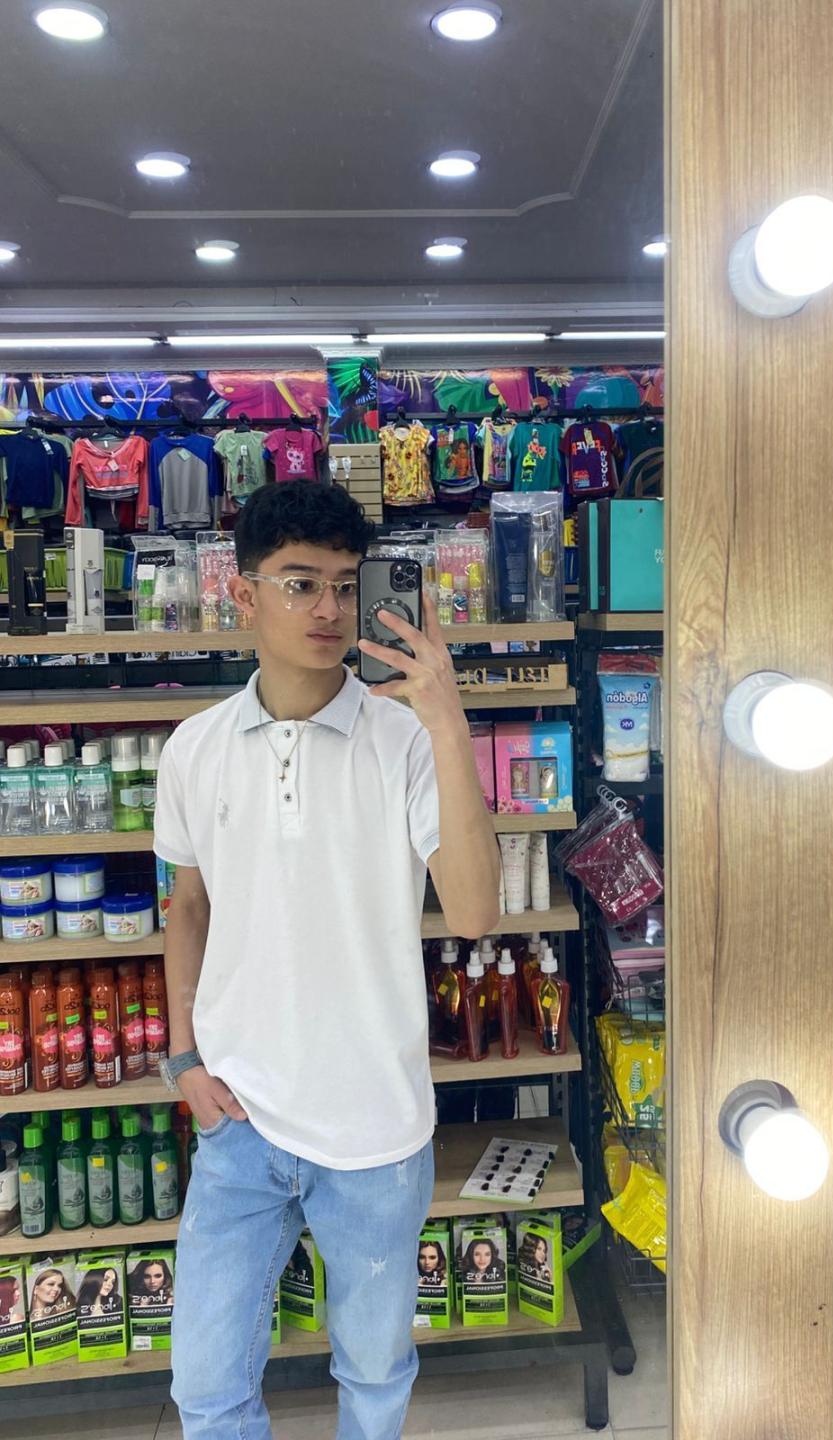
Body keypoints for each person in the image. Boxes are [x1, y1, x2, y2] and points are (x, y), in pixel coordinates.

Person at [156, 481, 500, 1440]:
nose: (329, 608)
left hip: (376, 1129)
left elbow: (475, 912)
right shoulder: (193, 749)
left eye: (347, 585)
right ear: (243, 594)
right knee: (206, 1387)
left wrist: (446, 717)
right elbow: (189, 907)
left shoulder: (407, 740)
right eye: (301, 583)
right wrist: (183, 1061)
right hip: (239, 1119)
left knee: (376, 1377)